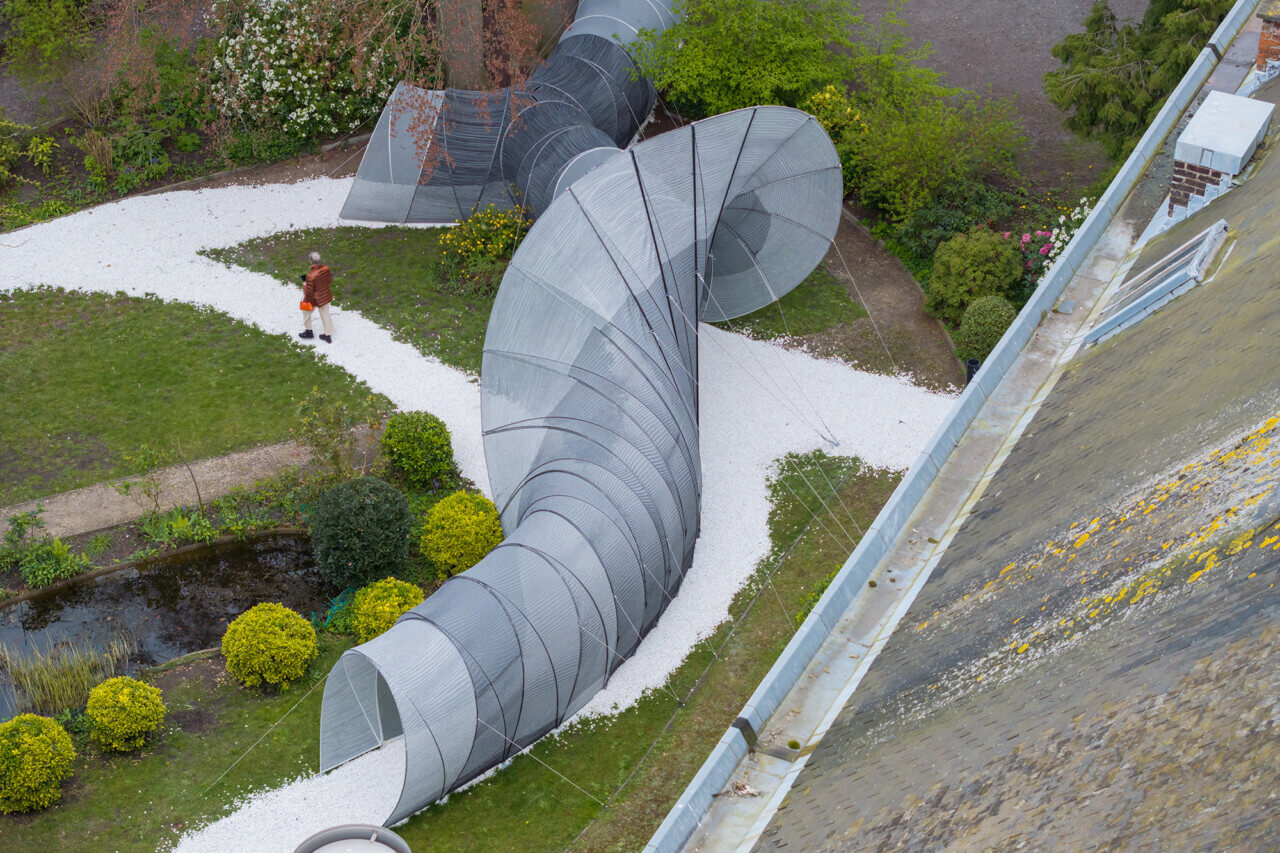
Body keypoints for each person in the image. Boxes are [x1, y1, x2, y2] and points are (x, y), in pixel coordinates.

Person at [299, 251, 335, 343]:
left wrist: (304, 283)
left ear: (311, 261)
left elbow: (308, 291)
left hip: (315, 299)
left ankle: (309, 332)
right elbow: (329, 280)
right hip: (325, 296)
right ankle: (327, 335)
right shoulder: (326, 269)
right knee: (325, 315)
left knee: (306, 313)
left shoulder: (310, 276)